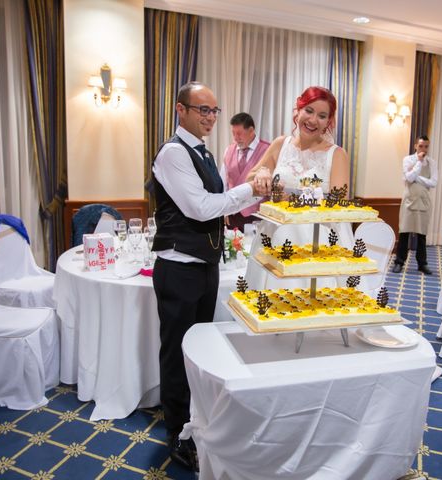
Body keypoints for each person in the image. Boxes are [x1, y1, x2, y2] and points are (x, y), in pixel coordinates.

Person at [151, 81, 268, 472]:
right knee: (176, 352)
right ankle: (175, 433)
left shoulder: (205, 152)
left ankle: (196, 420)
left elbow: (221, 201)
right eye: (203, 110)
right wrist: (248, 190)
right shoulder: (172, 153)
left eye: (214, 111)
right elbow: (202, 208)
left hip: (204, 265)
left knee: (198, 347)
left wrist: (250, 194)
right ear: (180, 109)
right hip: (178, 267)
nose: (211, 118)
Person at [246, 86, 351, 289]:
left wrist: (291, 199)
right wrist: (262, 174)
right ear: (299, 110)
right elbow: (249, 178)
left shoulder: (336, 155)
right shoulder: (280, 144)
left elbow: (340, 204)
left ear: (328, 122)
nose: (313, 120)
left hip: (316, 241)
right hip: (275, 234)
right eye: (309, 111)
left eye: (322, 116)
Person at [392, 135, 438, 275]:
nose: (424, 149)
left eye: (426, 146)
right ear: (415, 146)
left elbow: (433, 182)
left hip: (424, 201)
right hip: (409, 201)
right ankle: (399, 262)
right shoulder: (408, 160)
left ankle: (422, 264)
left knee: (421, 234)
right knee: (404, 232)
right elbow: (409, 178)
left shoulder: (432, 163)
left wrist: (416, 178)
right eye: (421, 146)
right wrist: (418, 163)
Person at [221, 112, 270, 230]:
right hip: (232, 215)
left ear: (251, 130)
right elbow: (223, 182)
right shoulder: (229, 150)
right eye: (233, 133)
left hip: (257, 216)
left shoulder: (268, 150)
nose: (236, 138)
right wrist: (223, 211)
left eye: (239, 133)